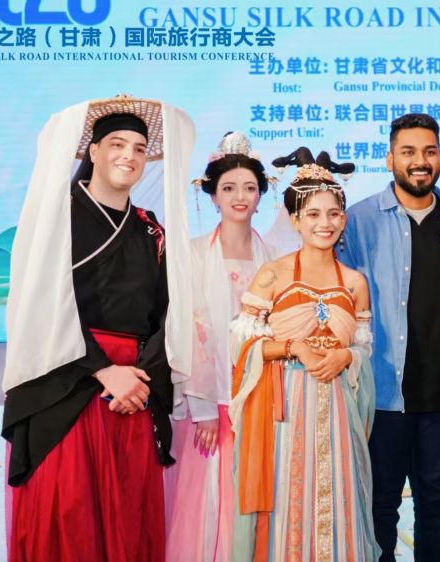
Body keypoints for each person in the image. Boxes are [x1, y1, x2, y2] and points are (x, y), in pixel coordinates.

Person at [1, 96, 196, 562]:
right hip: (67, 382)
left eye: (139, 148)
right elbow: (39, 306)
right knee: (69, 514)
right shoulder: (56, 218)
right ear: (92, 151)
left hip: (131, 393)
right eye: (117, 144)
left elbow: (166, 315)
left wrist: (141, 380)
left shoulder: (151, 231)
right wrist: (104, 370)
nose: (129, 155)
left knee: (128, 516)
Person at [339, 113, 440, 561]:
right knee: (381, 499)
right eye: (408, 152)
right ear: (390, 159)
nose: (420, 161)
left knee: (434, 497)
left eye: (429, 151)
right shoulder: (358, 220)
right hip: (383, 388)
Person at [229, 147, 379, 560]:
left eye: (333, 214)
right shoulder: (273, 274)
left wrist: (347, 358)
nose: (324, 223)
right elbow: (240, 347)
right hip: (285, 411)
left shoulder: (355, 282)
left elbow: (362, 349)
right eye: (312, 214)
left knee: (342, 498)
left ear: (343, 220)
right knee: (287, 501)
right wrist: (293, 347)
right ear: (295, 219)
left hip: (339, 409)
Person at [164, 132, 278, 561]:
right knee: (209, 500)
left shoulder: (275, 259)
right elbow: (189, 330)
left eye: (249, 187)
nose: (240, 197)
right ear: (212, 195)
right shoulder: (193, 255)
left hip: (261, 397)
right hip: (210, 402)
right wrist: (205, 407)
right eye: (229, 188)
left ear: (261, 194)